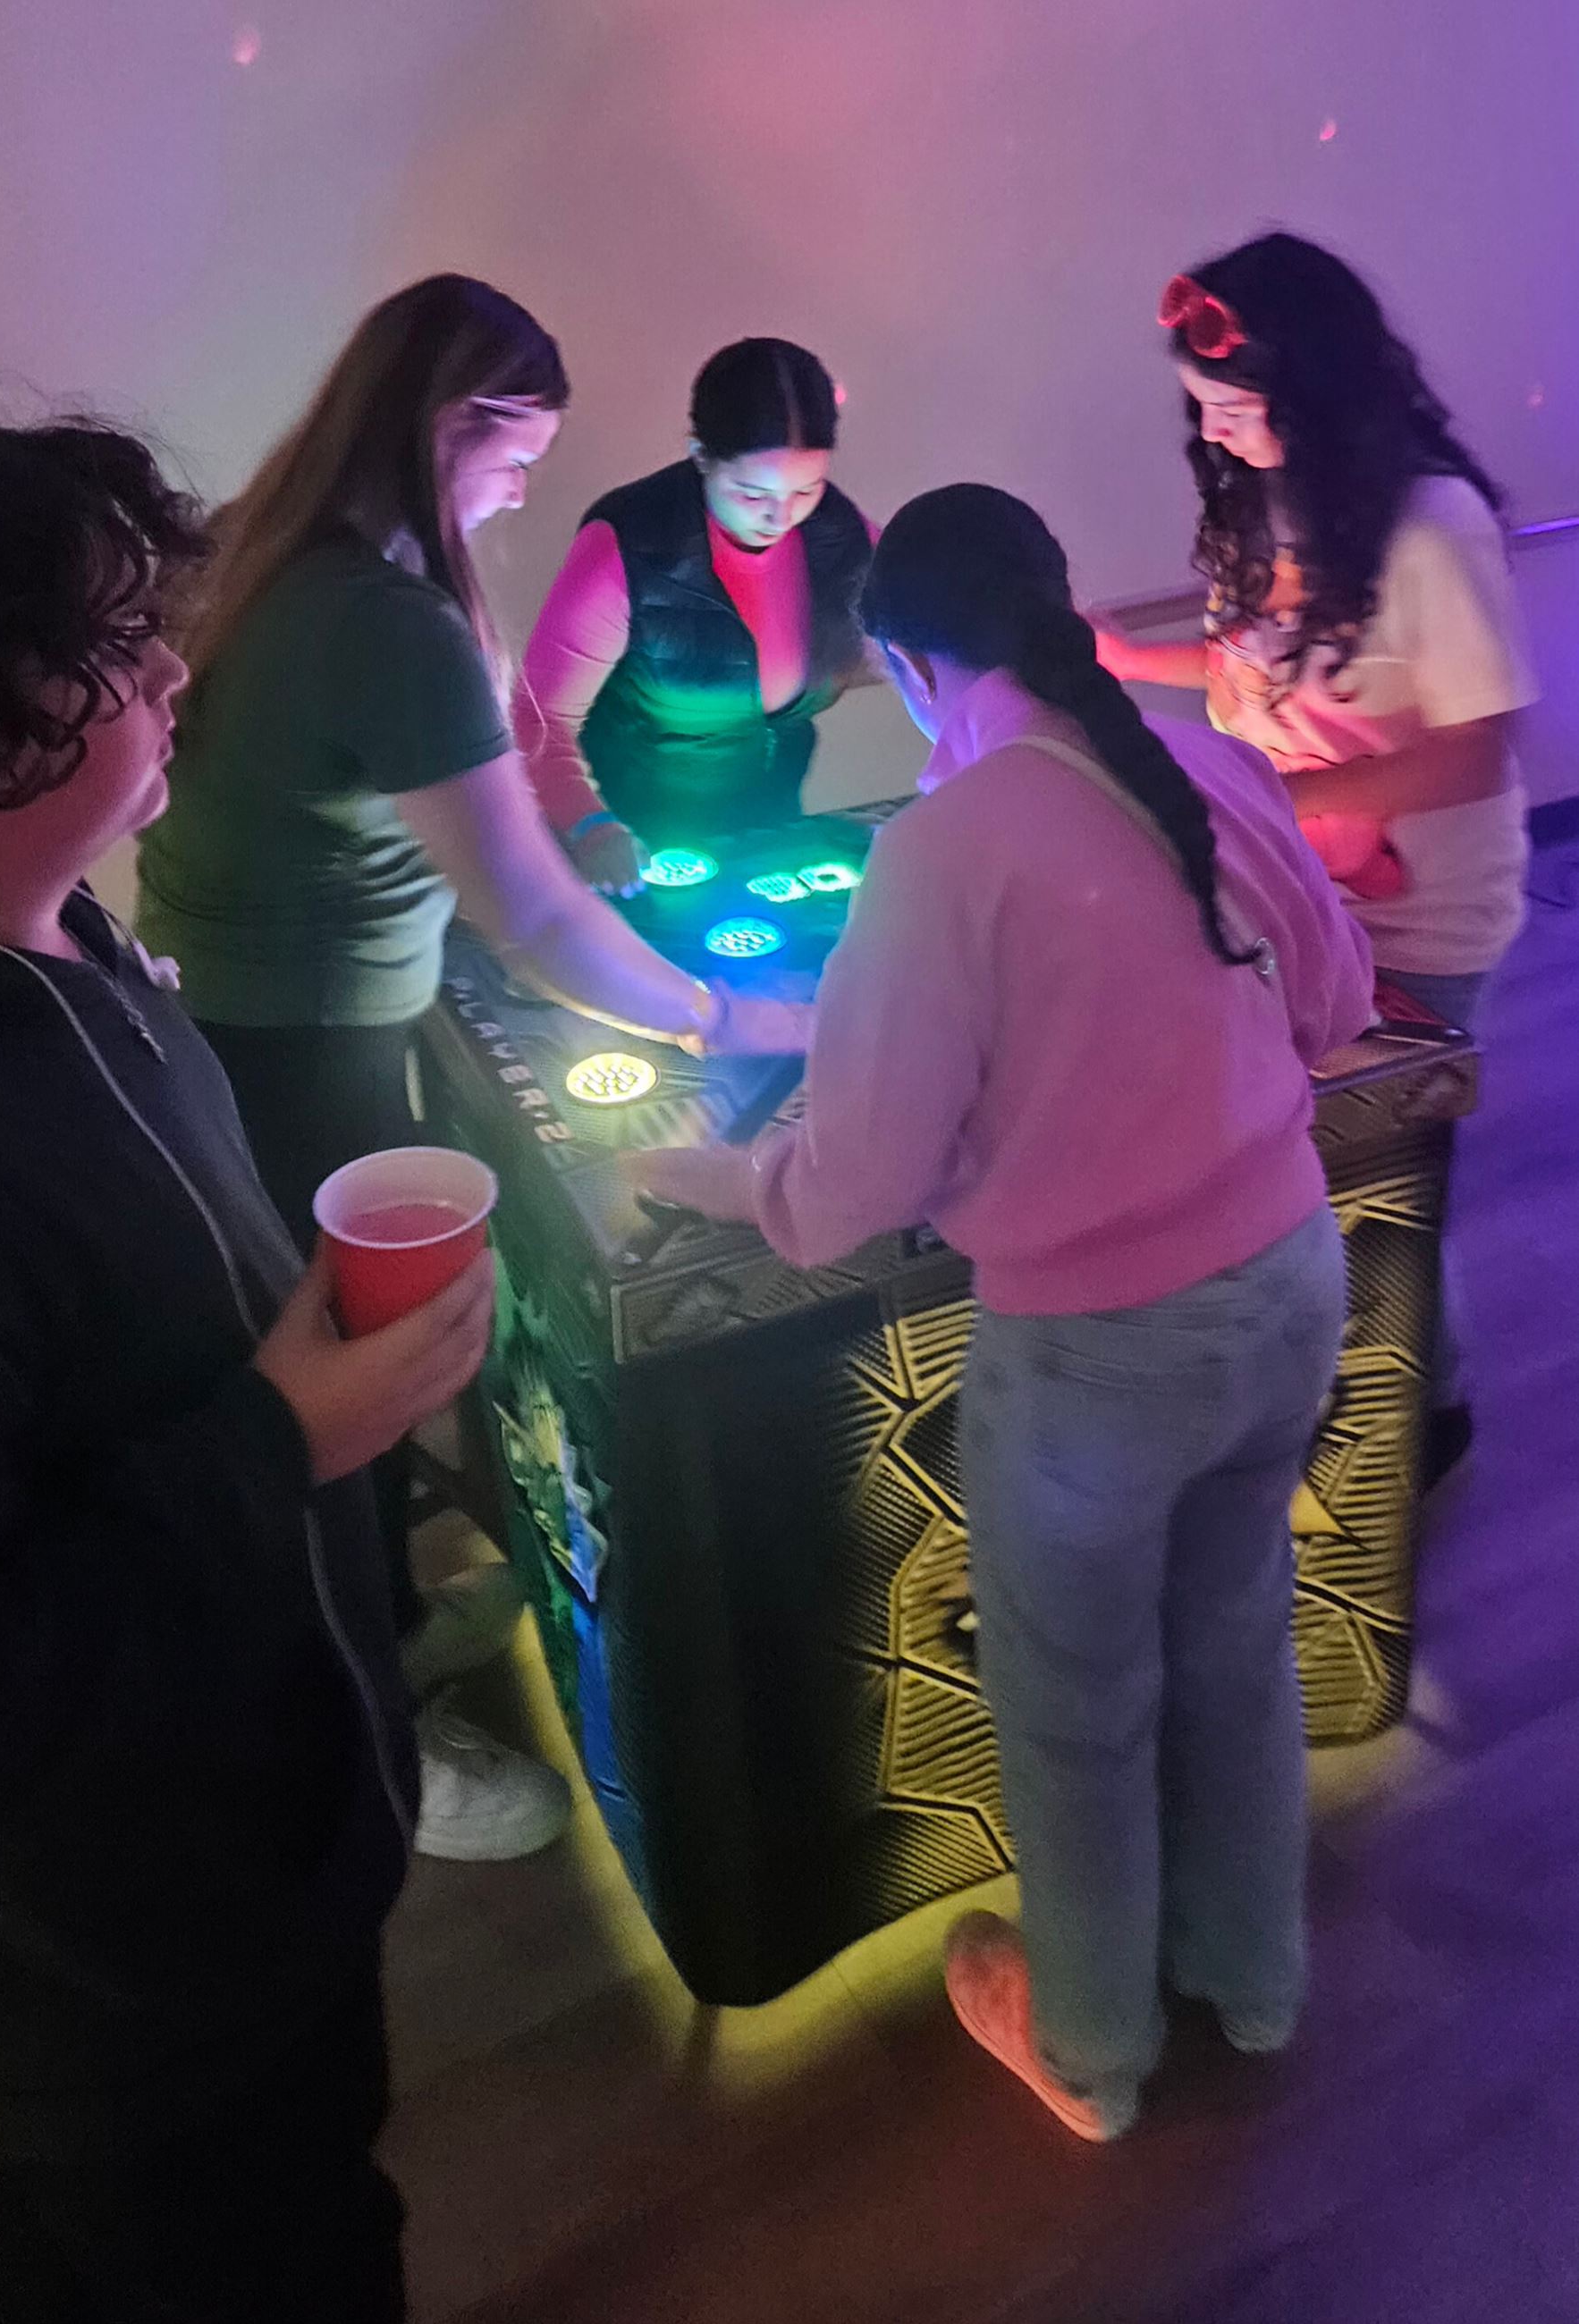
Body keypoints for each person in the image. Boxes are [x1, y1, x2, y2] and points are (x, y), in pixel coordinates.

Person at [0, 417, 493, 2317]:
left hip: (220, 1879)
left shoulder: (45, 944)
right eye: (98, 648)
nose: (163, 675)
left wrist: (265, 1349)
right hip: (116, 1973)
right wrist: (279, 1435)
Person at [629, 484, 1373, 2142]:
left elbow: (849, 1188)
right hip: (1288, 1286)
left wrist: (713, 1178)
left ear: (901, 666)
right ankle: (1253, 1983)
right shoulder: (1200, 763)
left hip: (1097, 1359)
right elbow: (1325, 1005)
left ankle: (1094, 2053)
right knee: (1233, 1633)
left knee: (1075, 1704)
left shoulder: (941, 847)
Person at [138, 276, 801, 1862]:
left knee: (321, 1371)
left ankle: (374, 1635)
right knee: (345, 1391)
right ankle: (371, 1743)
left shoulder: (265, 546)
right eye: (515, 462)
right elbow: (536, 919)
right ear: (453, 426)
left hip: (236, 1035)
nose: (518, 496)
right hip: (309, 1058)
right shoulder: (386, 621)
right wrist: (729, 1017)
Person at [1095, 234, 1536, 1476]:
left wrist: (1268, 805)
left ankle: (1427, 1410)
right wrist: (1135, 664)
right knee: (1294, 1155)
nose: (1220, 437)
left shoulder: (1427, 522)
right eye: (1203, 414)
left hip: (1418, 917)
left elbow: (1471, 754)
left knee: (1373, 1167)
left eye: (1236, 411)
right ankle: (1321, 1371)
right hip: (1300, 892)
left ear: (1315, 392)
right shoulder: (1266, 494)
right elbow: (1266, 665)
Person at [519, 337, 876, 891]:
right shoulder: (629, 548)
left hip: (771, 838)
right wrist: (590, 826)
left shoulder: (838, 534)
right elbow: (539, 719)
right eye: (751, 491)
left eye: (807, 489)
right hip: (640, 854)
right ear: (700, 455)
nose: (781, 515)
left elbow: (935, 642)